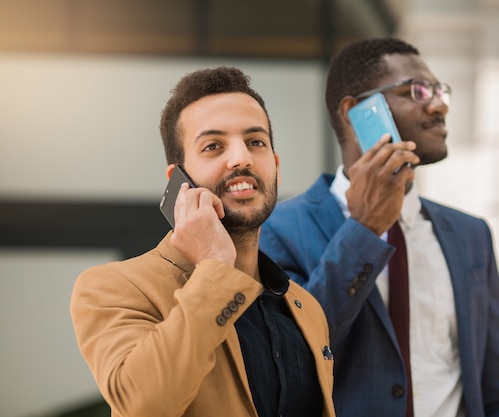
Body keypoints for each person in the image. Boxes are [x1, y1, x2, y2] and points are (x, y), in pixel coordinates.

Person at [260, 37, 499, 417]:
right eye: (417, 90)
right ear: (356, 111)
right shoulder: (278, 230)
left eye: (438, 90)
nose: (439, 103)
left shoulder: (471, 235)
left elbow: (497, 392)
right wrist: (363, 229)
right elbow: (293, 361)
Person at [70, 67, 336, 417]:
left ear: (275, 166)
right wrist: (214, 268)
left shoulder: (305, 307)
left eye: (255, 142)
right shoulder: (113, 288)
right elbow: (143, 406)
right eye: (213, 146)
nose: (241, 158)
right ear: (178, 180)